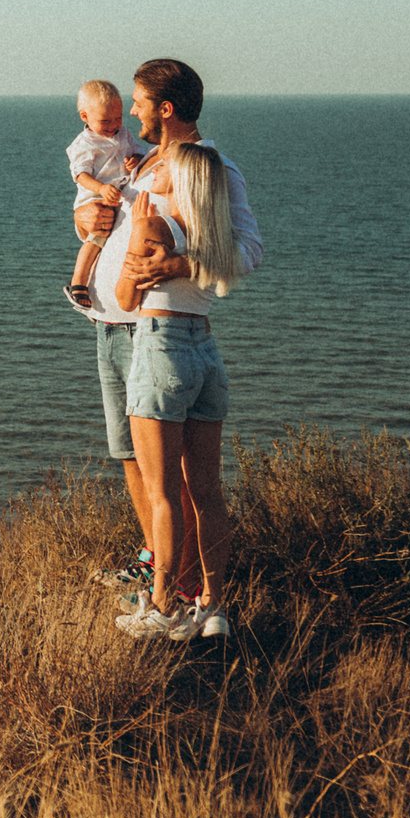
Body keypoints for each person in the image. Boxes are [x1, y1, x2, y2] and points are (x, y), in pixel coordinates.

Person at [74, 60, 263, 624]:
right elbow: (111, 231)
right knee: (132, 458)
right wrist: (88, 218)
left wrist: (176, 263)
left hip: (152, 330)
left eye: (138, 101)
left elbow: (249, 249)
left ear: (166, 108)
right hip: (110, 326)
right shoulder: (143, 162)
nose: (130, 111)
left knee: (172, 481)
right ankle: (180, 582)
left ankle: (172, 595)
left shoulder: (210, 169)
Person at [108, 139, 249, 639]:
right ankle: (212, 609)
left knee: (162, 491)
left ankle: (164, 604)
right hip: (207, 352)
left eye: (164, 169)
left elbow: (125, 297)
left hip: (160, 345)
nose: (154, 173)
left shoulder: (151, 226)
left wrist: (132, 240)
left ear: (181, 181)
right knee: (208, 491)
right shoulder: (215, 237)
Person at [63, 79, 147, 312]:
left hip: (117, 193)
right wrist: (100, 189)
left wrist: (136, 160)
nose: (113, 125)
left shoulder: (123, 133)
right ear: (85, 117)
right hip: (95, 197)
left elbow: (138, 150)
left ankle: (98, 293)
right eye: (105, 121)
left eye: (118, 118)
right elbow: (80, 175)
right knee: (97, 238)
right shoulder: (83, 144)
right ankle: (78, 281)